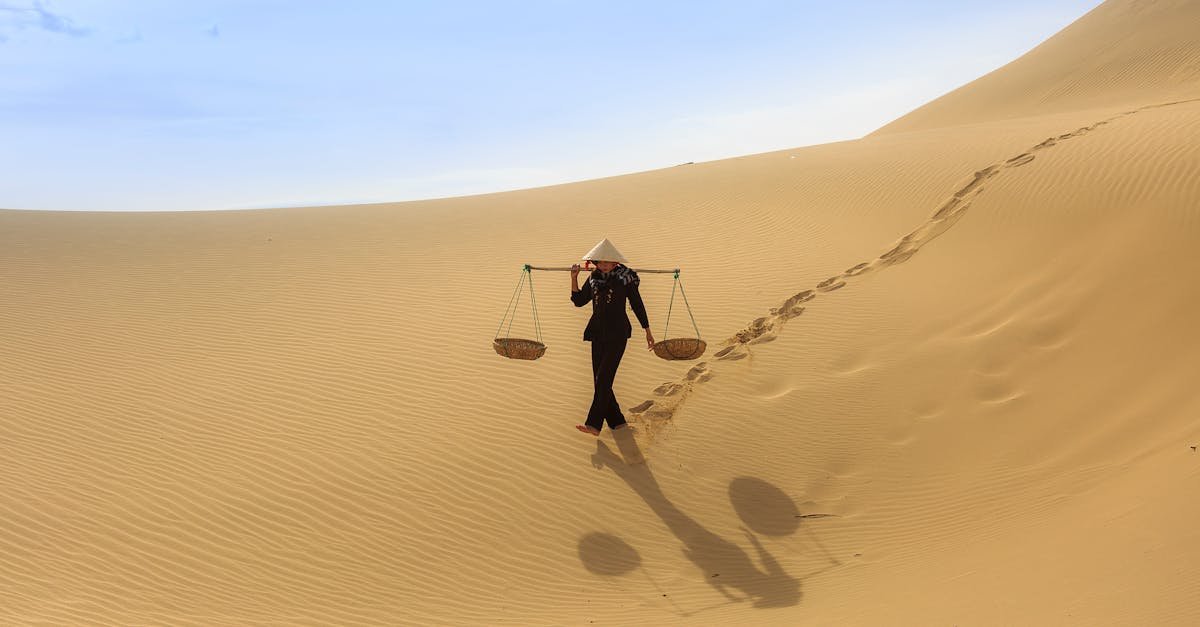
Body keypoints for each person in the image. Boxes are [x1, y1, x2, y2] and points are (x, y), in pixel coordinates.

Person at [570, 238, 655, 436]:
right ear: (595, 263)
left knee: (603, 379)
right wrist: (573, 277)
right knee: (599, 379)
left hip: (618, 334)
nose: (605, 265)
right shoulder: (593, 278)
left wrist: (647, 330)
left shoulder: (626, 278)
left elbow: (637, 304)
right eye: (601, 261)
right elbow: (579, 301)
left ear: (616, 262)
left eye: (609, 261)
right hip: (597, 333)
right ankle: (617, 422)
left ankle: (594, 424)